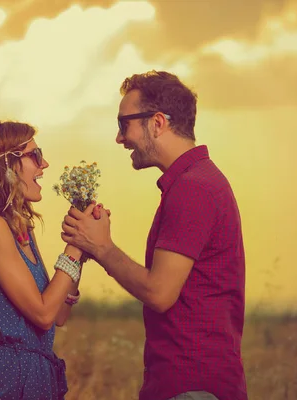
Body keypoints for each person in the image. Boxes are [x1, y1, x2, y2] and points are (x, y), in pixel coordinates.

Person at [60, 71, 248, 400]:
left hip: (193, 387)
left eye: (124, 125)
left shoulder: (193, 188)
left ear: (157, 123)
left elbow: (159, 292)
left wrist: (101, 247)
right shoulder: (194, 182)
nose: (120, 139)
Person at [0, 121, 97, 400]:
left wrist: (80, 251)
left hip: (36, 380)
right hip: (9, 381)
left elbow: (59, 314)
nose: (44, 164)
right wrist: (73, 247)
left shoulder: (21, 229)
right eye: (35, 155)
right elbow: (44, 314)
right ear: (8, 165)